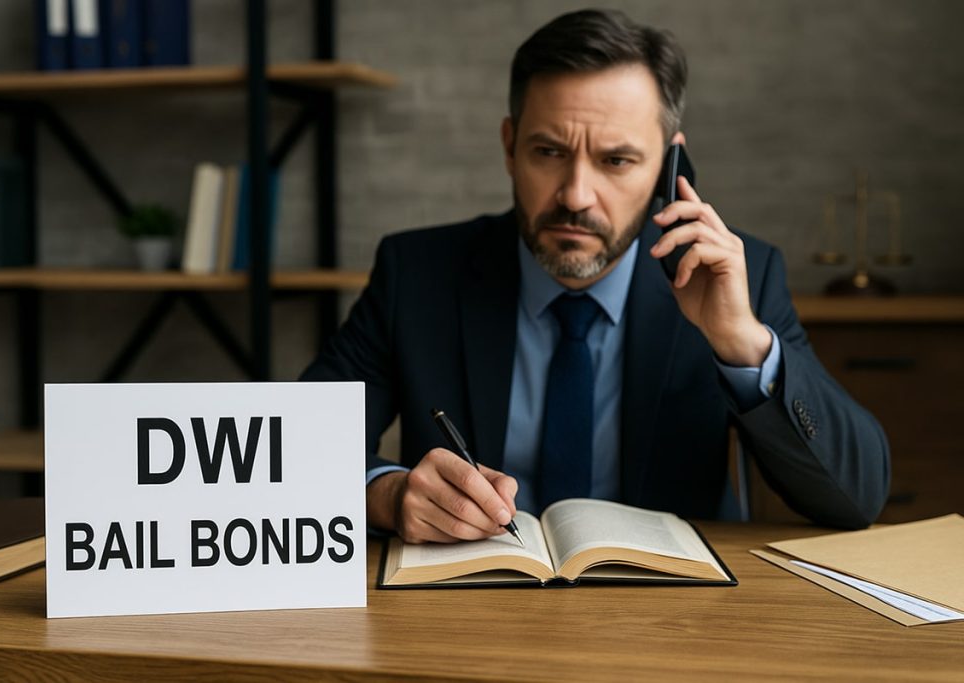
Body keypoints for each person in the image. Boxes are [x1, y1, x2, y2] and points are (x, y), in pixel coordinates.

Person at [300, 9, 889, 543]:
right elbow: (294, 452)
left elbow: (855, 500)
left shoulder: (742, 277)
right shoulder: (418, 274)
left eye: (616, 160)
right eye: (549, 152)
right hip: (467, 608)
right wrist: (387, 492)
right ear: (510, 148)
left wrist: (742, 341)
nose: (576, 196)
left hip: (675, 627)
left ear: (668, 165)